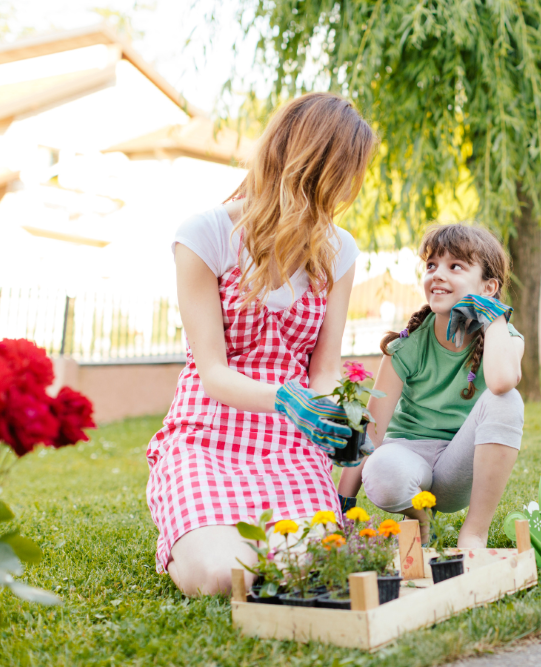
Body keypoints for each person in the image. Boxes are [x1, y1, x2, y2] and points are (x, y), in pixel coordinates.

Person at [146, 92, 376, 596]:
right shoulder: (205, 235)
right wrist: (284, 398)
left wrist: (334, 414)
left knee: (319, 563)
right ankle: (189, 530)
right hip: (209, 437)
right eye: (338, 176)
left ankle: (220, 536)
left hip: (291, 445)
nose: (341, 193)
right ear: (303, 164)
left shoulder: (339, 250)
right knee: (220, 575)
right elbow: (212, 371)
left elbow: (325, 366)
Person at [337, 224, 525, 548]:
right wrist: (343, 507)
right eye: (431, 265)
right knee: (380, 469)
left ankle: (473, 534)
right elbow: (371, 433)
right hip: (408, 460)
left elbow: (501, 382)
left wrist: (493, 316)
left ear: (489, 286)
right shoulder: (407, 347)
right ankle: (419, 517)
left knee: (507, 400)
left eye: (455, 266)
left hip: (457, 468)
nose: (437, 274)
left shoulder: (505, 339)